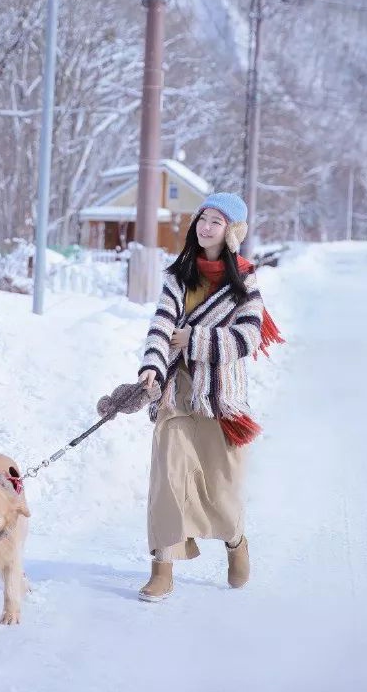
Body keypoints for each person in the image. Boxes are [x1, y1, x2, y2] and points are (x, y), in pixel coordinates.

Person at [137, 191, 281, 602]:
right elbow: (161, 325)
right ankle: (162, 567)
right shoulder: (177, 276)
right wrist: (151, 365)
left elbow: (249, 336)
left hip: (221, 399)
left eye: (216, 221)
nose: (205, 227)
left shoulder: (245, 281)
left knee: (222, 488)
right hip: (176, 394)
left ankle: (236, 542)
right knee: (167, 481)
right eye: (203, 218)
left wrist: (195, 338)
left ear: (232, 231)